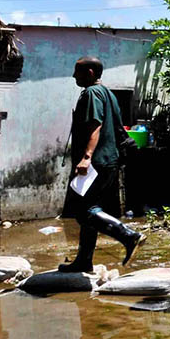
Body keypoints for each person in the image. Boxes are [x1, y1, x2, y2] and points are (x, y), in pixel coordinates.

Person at [59, 56, 145, 272]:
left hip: (95, 162)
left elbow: (95, 125)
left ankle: (129, 236)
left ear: (89, 73)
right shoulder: (109, 94)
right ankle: (84, 261)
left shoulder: (91, 93)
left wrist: (86, 157)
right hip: (109, 160)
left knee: (83, 211)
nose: (73, 76)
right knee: (91, 209)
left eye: (77, 71)